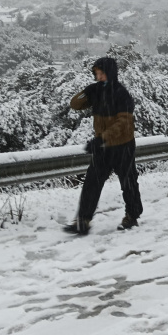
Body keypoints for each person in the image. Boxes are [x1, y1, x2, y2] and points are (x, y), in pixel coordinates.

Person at [64, 57, 143, 234]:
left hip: (122, 146)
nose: (99, 77)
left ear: (111, 73)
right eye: (97, 73)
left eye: (102, 73)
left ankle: (132, 215)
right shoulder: (97, 91)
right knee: (92, 183)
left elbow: (123, 123)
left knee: (128, 182)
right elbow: (75, 104)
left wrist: (102, 138)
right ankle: (83, 221)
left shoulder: (122, 94)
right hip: (103, 146)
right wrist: (87, 91)